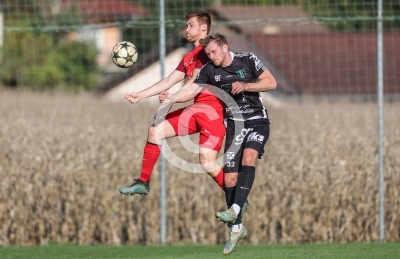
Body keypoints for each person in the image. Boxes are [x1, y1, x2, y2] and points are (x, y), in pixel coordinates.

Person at [165, 32, 277, 255]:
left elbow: (271, 83)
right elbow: (191, 90)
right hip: (235, 125)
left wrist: (245, 86)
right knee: (229, 178)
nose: (211, 56)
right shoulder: (209, 70)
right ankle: (237, 229)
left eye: (214, 51)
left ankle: (235, 209)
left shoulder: (248, 59)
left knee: (249, 157)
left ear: (225, 47)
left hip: (256, 120)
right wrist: (169, 97)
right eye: (207, 53)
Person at [119, 12, 227, 196]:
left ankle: (236, 196)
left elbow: (195, 82)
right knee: (155, 130)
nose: (186, 29)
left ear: (203, 28)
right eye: (186, 25)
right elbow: (168, 81)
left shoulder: (208, 52)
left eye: (190, 25)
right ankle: (143, 182)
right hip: (195, 110)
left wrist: (173, 97)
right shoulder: (188, 57)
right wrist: (140, 94)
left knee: (207, 162)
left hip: (213, 112)